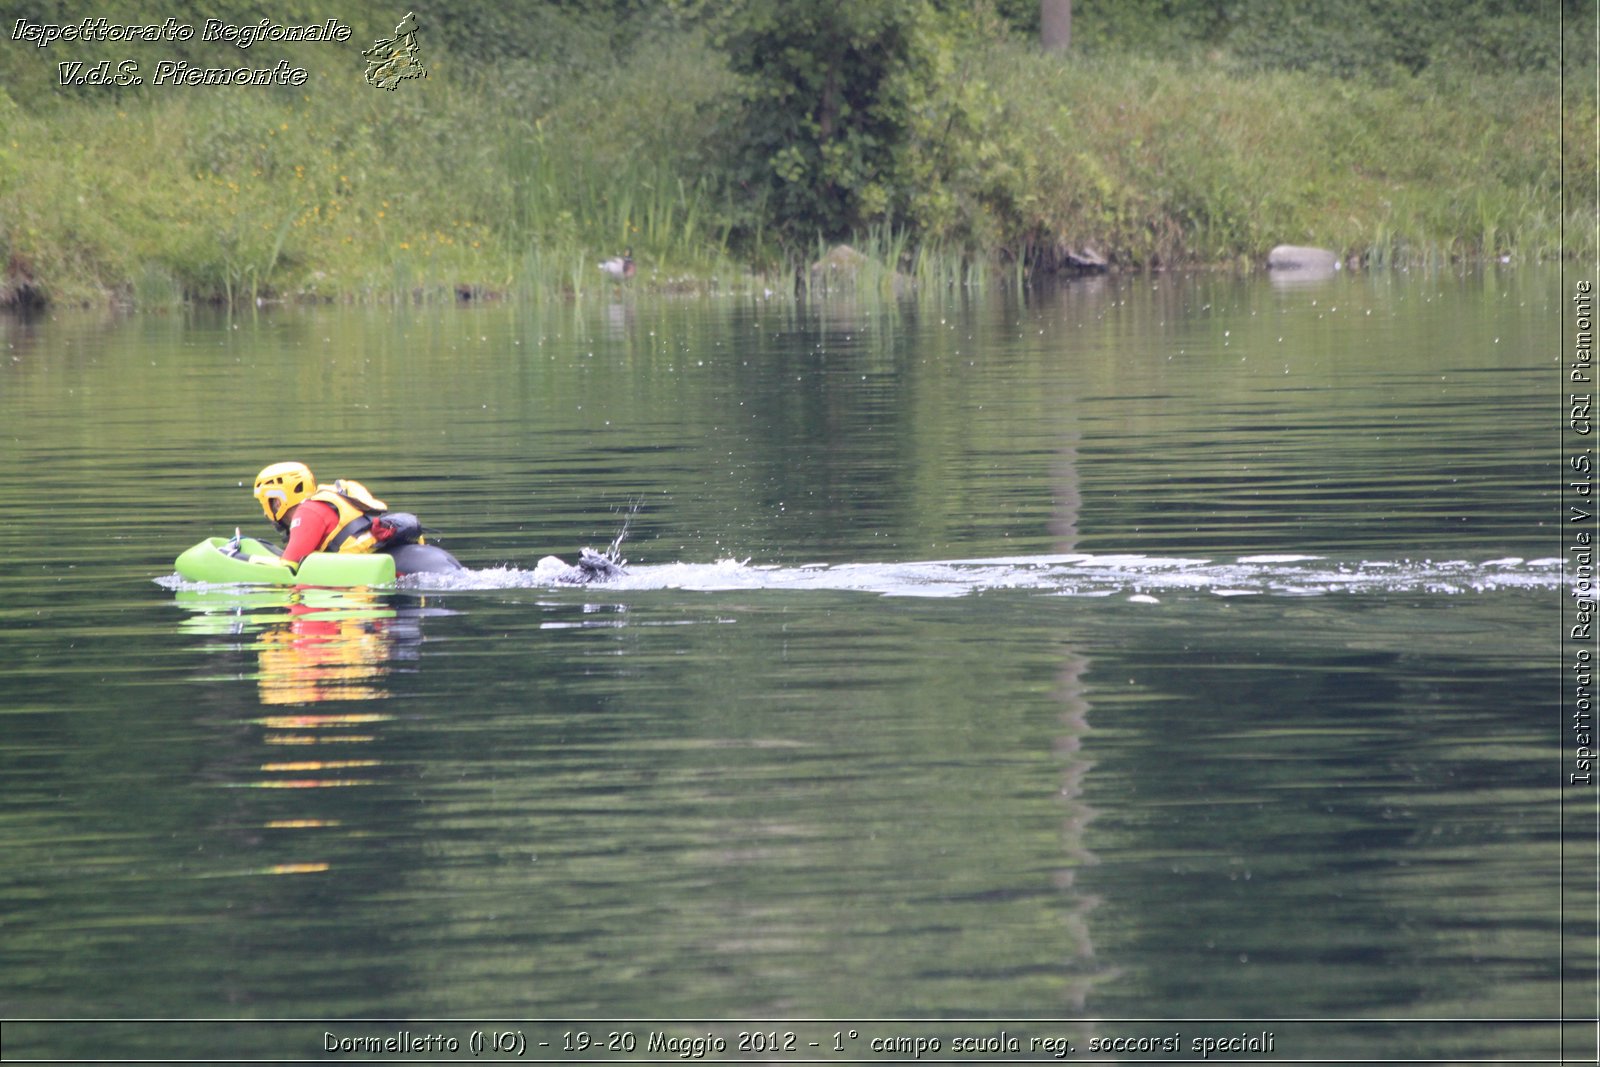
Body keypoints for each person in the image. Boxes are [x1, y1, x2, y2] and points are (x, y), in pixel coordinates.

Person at [251, 461, 393, 568]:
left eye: (266, 503)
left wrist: (240, 558)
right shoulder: (330, 499)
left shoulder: (307, 512)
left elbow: (288, 568)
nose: (266, 512)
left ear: (277, 501)